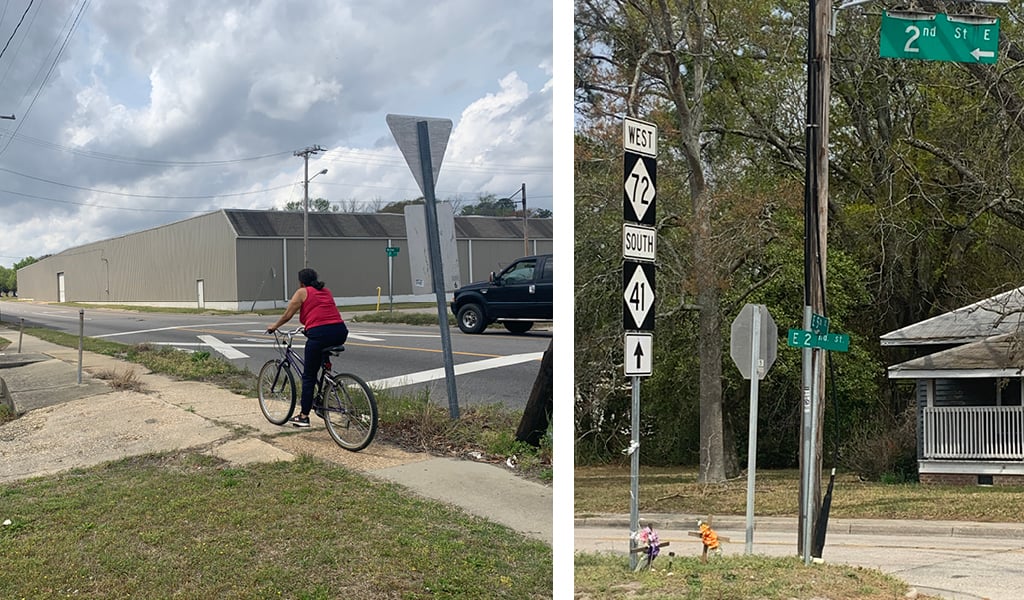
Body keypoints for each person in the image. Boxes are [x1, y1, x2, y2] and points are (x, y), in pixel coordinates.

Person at [266, 268, 349, 427]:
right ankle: (324, 395)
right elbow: (323, 312)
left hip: (320, 334)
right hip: (340, 331)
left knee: (309, 376)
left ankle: (303, 416)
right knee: (322, 363)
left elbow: (288, 315)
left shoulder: (302, 292)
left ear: (301, 282)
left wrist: (274, 326)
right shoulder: (326, 291)